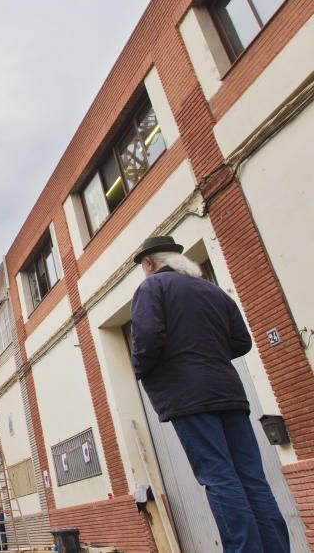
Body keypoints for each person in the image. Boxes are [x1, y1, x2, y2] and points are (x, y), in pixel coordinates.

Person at [130, 236, 290, 553]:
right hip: (229, 393)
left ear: (149, 264)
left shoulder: (152, 288)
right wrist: (210, 354)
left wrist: (142, 368)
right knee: (251, 477)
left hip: (189, 399)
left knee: (219, 477)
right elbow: (242, 342)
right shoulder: (213, 291)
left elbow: (147, 338)